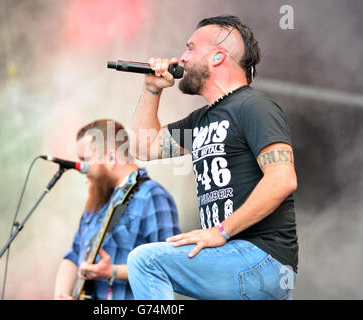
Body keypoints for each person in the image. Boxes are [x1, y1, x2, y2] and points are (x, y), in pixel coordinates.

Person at [127, 15, 298, 300]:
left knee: (147, 261)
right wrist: (152, 88)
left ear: (218, 56)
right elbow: (144, 147)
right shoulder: (201, 121)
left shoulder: (254, 106)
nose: (182, 57)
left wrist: (221, 230)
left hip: (261, 256)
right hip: (230, 255)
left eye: (191, 48)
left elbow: (282, 180)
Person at [54, 119, 180, 300]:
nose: (83, 169)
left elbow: (170, 266)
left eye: (86, 160)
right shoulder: (98, 200)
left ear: (111, 157)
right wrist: (61, 294)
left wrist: (112, 271)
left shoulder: (152, 196)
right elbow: (73, 256)